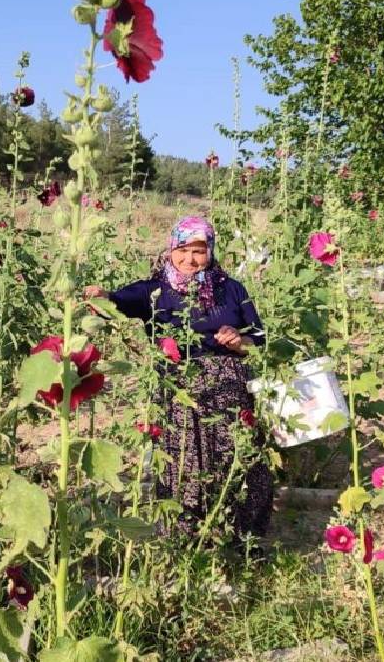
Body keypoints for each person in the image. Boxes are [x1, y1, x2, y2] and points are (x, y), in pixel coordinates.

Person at [84, 216, 274, 541]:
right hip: (177, 392)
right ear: (172, 248)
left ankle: (241, 543)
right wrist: (101, 296)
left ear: (211, 251)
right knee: (181, 468)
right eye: (183, 249)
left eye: (199, 251)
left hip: (230, 392)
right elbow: (115, 303)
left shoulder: (231, 290)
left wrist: (240, 341)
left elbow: (259, 337)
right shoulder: (154, 291)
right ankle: (182, 544)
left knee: (239, 465)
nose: (190, 259)